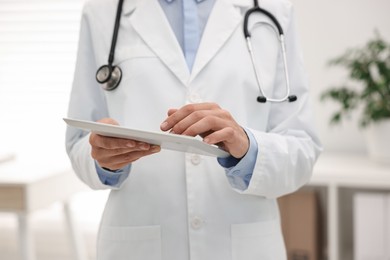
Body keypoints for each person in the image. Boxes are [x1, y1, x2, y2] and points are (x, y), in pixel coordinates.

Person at [65, 0, 322, 259]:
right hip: (140, 244)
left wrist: (248, 148)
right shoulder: (102, 11)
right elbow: (79, 140)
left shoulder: (275, 10)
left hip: (243, 246)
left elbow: (302, 148)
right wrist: (103, 159)